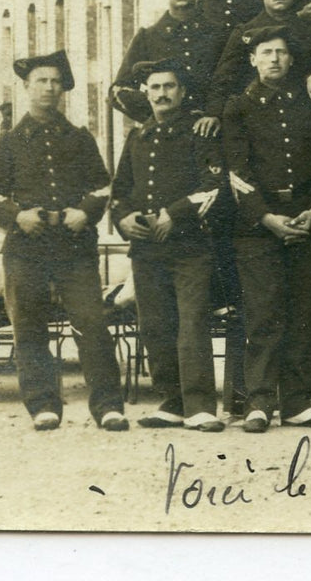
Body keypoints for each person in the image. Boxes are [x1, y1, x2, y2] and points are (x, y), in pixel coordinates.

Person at [0, 51, 126, 432]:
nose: (49, 87)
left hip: (74, 248)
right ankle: (43, 405)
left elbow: (103, 186)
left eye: (55, 81)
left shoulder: (79, 139)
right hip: (26, 248)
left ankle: (109, 406)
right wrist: (17, 216)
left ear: (63, 89)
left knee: (91, 323)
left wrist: (85, 213)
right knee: (29, 327)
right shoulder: (11, 142)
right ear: (26, 88)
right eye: (41, 81)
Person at [222, 25, 311, 434]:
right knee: (262, 314)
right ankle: (258, 401)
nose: (274, 58)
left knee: (301, 314)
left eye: (282, 52)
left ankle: (296, 401)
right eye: (266, 52)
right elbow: (236, 172)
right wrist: (267, 218)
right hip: (258, 227)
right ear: (253, 59)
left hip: (304, 221)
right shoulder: (238, 107)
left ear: (292, 60)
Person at [111, 59, 225, 432]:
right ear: (146, 92)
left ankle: (200, 406)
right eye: (155, 87)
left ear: (183, 92)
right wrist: (125, 219)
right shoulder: (138, 136)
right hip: (146, 249)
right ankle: (172, 402)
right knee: (156, 325)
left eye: (169, 86)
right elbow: (120, 192)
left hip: (190, 248)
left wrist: (175, 215)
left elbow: (214, 187)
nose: (162, 94)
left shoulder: (198, 134)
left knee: (191, 324)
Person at [112, 0, 224, 127]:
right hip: (165, 136)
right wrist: (158, 114)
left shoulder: (218, 34)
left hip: (210, 132)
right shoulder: (148, 37)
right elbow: (118, 91)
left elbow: (231, 84)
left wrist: (214, 113)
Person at [213, 0, 311, 112]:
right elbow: (224, 78)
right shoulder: (245, 32)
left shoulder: (307, 31)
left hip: (299, 111)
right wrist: (214, 113)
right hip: (256, 112)